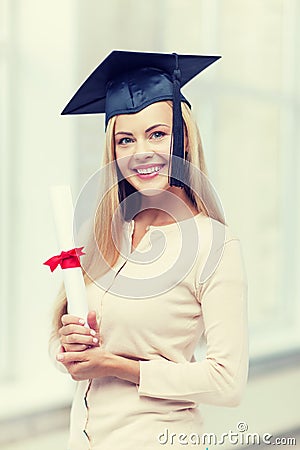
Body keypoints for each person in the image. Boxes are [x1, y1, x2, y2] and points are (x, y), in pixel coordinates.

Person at [49, 50, 249, 450]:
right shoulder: (106, 232)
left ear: (184, 139)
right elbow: (63, 344)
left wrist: (117, 366)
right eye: (126, 139)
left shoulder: (213, 244)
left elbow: (228, 382)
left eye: (157, 134)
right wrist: (68, 346)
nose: (142, 152)